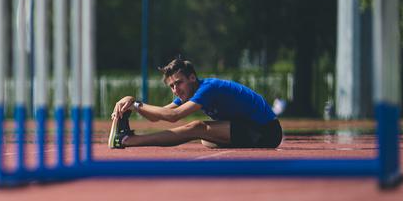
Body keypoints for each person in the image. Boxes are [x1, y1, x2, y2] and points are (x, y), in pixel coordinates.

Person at [108, 56, 283, 150]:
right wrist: (131, 103)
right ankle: (128, 139)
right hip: (248, 127)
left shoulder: (208, 88)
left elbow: (173, 116)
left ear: (192, 78)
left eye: (179, 83)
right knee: (205, 139)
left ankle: (128, 141)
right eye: (171, 86)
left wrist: (136, 104)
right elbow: (158, 115)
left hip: (266, 131)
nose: (175, 89)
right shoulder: (190, 91)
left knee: (197, 128)